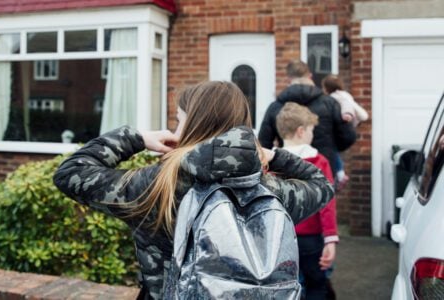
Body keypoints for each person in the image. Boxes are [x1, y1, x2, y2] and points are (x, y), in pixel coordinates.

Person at [54, 81, 335, 299]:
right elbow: (321, 185)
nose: (176, 127)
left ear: (193, 124)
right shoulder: (268, 190)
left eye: (179, 119)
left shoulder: (158, 187)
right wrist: (272, 156)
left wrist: (138, 138)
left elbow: (72, 173)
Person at [258, 60, 357, 188]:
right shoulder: (329, 103)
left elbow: (264, 143)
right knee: (325, 205)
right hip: (324, 169)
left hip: (287, 170)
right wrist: (330, 148)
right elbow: (348, 137)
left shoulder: (275, 107)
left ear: (289, 79)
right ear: (310, 76)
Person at [276, 102, 338, 300]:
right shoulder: (319, 162)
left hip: (280, 238)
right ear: (301, 131)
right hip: (311, 239)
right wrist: (330, 238)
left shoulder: (270, 161)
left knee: (285, 287)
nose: (313, 135)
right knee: (316, 285)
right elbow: (326, 204)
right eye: (312, 130)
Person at [322, 74, 369, 188]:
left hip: (344, 126)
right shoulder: (344, 94)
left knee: (334, 150)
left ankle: (341, 174)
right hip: (347, 128)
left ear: (327, 87)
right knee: (335, 151)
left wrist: (346, 114)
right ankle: (340, 173)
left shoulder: (336, 96)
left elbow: (346, 106)